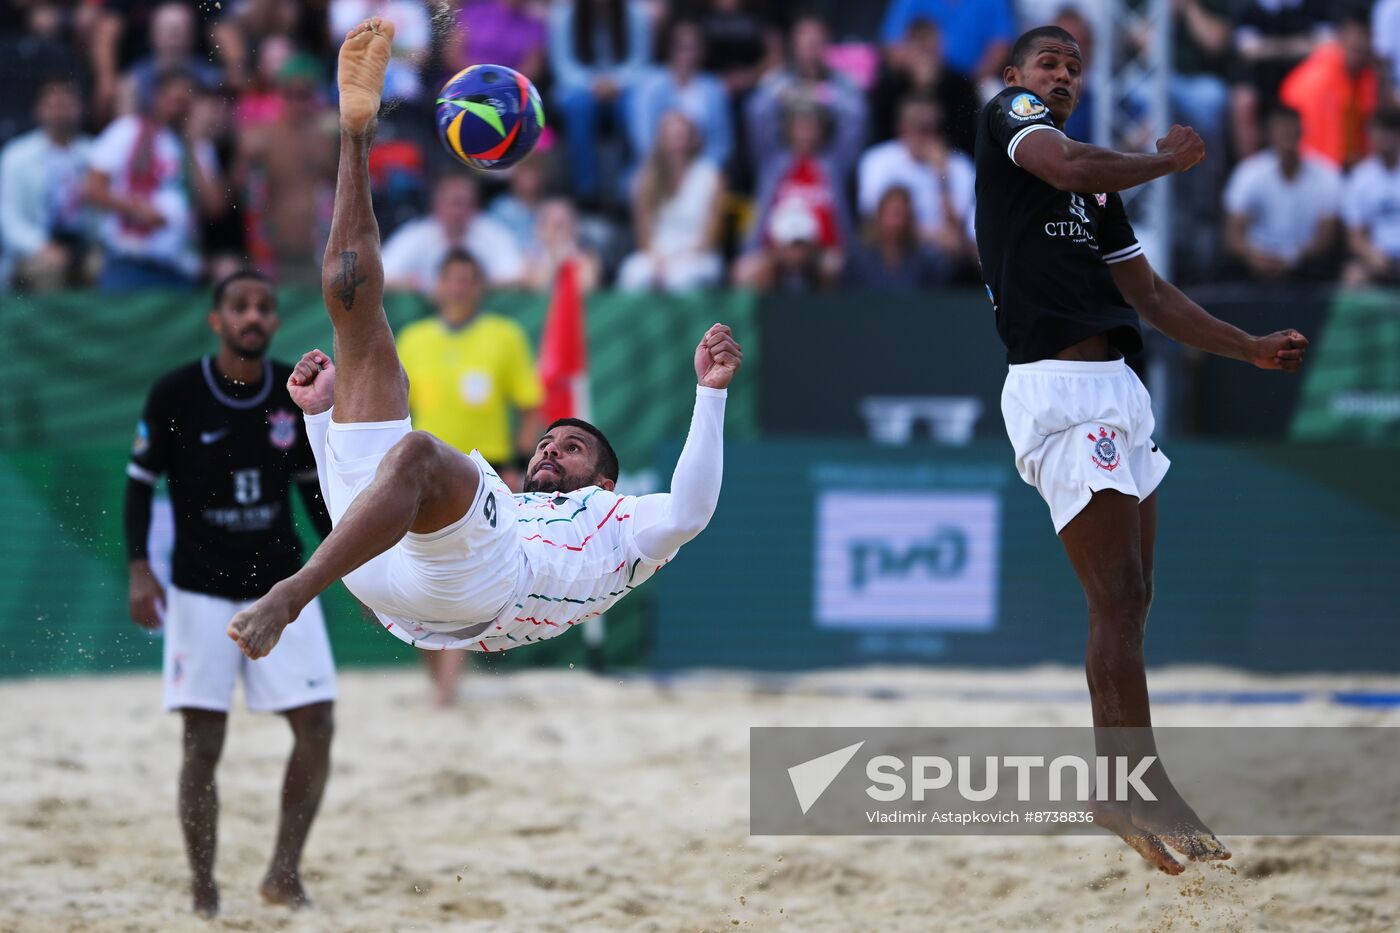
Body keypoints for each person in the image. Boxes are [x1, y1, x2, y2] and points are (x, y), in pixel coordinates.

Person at [227, 19, 738, 678]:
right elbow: (355, 495)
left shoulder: (621, 519)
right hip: (389, 578)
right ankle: (356, 135)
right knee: (356, 319)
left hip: (487, 583)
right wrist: (321, 416)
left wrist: (711, 394)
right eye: (552, 441)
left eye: (571, 445)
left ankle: (291, 593)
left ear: (607, 481)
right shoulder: (521, 499)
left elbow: (693, 510)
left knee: (416, 453)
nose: (551, 447)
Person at [975, 25, 1309, 874]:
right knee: (1117, 592)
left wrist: (1247, 346)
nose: (1063, 76)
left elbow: (1152, 295)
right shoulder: (1012, 120)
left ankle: (1127, 780)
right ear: (1016, 76)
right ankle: (1132, 781)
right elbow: (1066, 163)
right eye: (1050, 64)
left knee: (1132, 597)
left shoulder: (1098, 195)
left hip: (1119, 390)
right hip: (1055, 384)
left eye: (1074, 69)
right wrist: (1164, 158)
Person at [124, 270, 337, 916]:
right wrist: (139, 565)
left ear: (275, 323)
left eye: (265, 307)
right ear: (216, 320)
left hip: (282, 587)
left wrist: (345, 566)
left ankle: (283, 871)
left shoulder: (291, 392)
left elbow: (312, 490)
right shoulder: (176, 393)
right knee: (202, 742)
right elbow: (139, 483)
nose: (253, 315)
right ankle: (203, 886)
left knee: (318, 724)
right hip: (199, 591)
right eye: (239, 306)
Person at [395, 248, 546, 704]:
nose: (458, 288)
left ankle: (446, 693)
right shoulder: (414, 339)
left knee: (465, 576)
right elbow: (396, 407)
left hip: (485, 471)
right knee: (415, 575)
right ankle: (438, 682)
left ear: (479, 287)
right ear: (437, 286)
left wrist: (520, 464)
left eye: (467, 280)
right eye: (451, 279)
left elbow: (529, 405)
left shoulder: (504, 336)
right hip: (423, 472)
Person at [84, 67, 225, 291]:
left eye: (186, 102)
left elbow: (215, 208)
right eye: (174, 100)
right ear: (157, 97)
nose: (179, 109)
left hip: (180, 266)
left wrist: (192, 146)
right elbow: (92, 189)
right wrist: (135, 209)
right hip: (131, 260)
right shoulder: (127, 130)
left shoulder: (198, 146)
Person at [1223, 105, 1342, 282]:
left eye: (1291, 128)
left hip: (1307, 268)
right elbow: (1233, 232)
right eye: (1281, 129)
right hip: (1255, 266)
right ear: (1269, 133)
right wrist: (1253, 256)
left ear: (1301, 131)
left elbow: (1326, 236)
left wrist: (1292, 258)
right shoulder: (1248, 173)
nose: (1286, 134)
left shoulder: (1326, 174)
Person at [857, 95, 975, 269]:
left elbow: (957, 229)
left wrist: (942, 177)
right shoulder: (877, 160)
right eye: (920, 128)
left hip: (944, 256)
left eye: (933, 128)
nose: (927, 135)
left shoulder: (959, 165)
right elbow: (873, 221)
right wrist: (932, 236)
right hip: (893, 249)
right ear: (902, 128)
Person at [0, 78, 94, 292]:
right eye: (53, 106)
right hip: (34, 249)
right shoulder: (16, 155)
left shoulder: (95, 153)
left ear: (80, 109)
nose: (60, 113)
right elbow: (9, 219)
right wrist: (41, 247)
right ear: (38, 110)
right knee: (49, 269)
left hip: (83, 246)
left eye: (67, 105)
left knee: (102, 268)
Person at [617, 111, 726, 292]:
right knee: (633, 273)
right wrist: (658, 259)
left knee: (680, 279)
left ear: (693, 139)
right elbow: (644, 236)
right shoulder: (645, 179)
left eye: (682, 135)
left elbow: (710, 237)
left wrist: (677, 261)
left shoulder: (712, 177)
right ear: (661, 139)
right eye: (671, 136)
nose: (677, 142)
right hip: (657, 254)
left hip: (697, 255)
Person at [381, 174, 526, 292]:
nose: (458, 212)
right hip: (427, 308)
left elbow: (518, 275)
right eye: (453, 203)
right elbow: (381, 275)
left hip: (480, 308)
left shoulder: (492, 233)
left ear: (475, 207)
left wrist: (473, 288)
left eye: (464, 204)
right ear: (436, 205)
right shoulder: (417, 234)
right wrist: (413, 285)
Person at [843, 185, 953, 289]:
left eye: (904, 215)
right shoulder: (858, 261)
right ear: (879, 217)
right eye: (893, 215)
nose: (898, 222)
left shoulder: (925, 262)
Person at [1342, 108, 1400, 286]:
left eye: (1387, 132)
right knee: (1353, 277)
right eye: (1376, 132)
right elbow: (1355, 236)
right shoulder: (1360, 177)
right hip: (1378, 258)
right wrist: (1373, 256)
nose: (1381, 138)